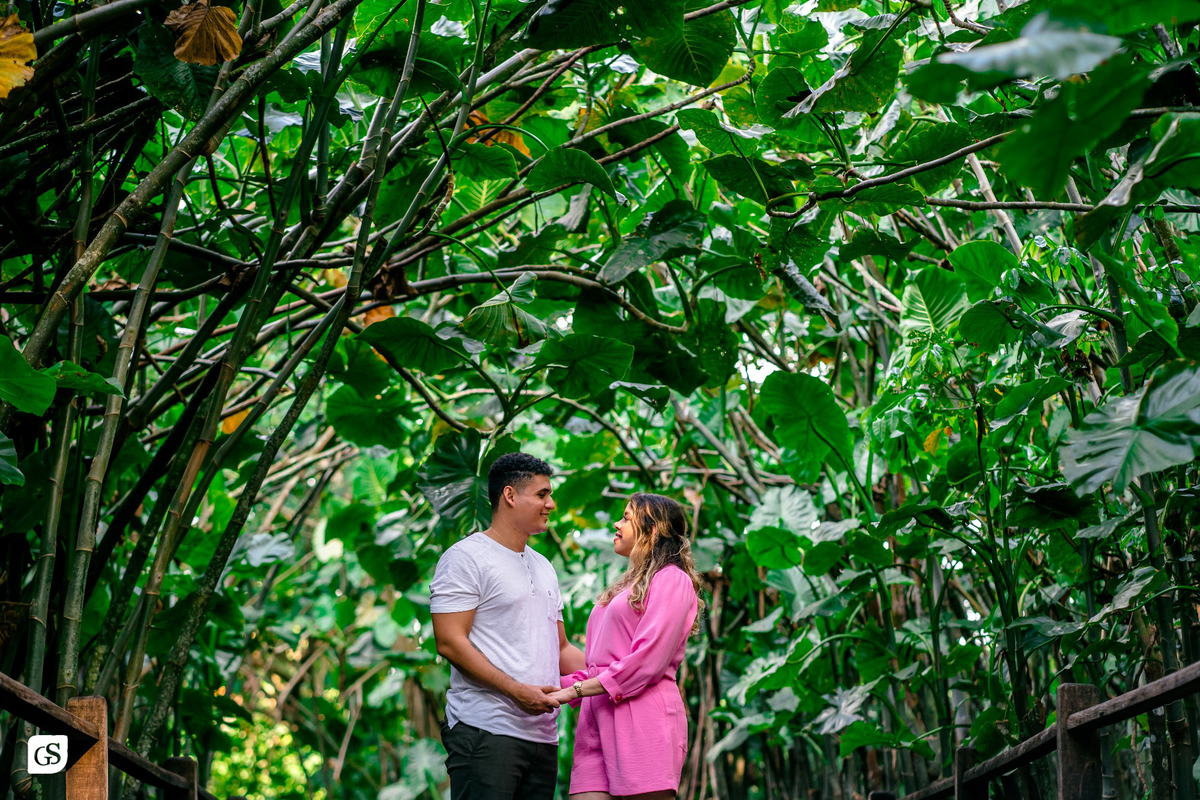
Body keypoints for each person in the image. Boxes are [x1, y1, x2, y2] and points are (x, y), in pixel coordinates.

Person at [430, 452, 586, 800]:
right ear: (510, 495)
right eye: (542, 494)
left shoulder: (544, 566)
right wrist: (516, 690)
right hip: (486, 731)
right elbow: (450, 642)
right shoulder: (465, 557)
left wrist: (619, 676)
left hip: (543, 738)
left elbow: (560, 648)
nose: (552, 504)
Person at [549, 492, 704, 800]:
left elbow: (647, 662)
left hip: (642, 719)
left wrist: (573, 692)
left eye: (626, 518)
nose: (617, 524)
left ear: (653, 529)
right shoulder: (624, 587)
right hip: (596, 721)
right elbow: (601, 666)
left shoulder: (672, 579)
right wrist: (551, 688)